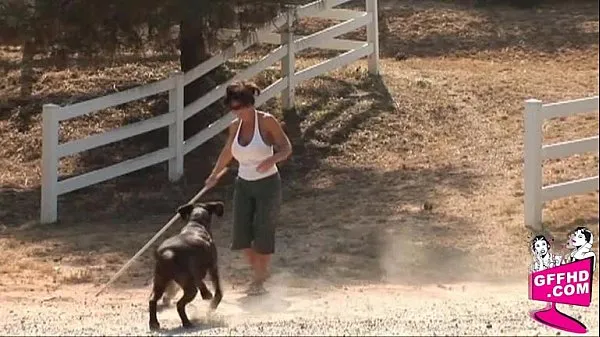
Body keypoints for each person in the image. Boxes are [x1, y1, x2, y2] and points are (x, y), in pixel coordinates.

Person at [204, 80, 293, 295]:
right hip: (243, 184)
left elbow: (286, 148)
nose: (236, 112)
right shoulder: (235, 126)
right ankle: (261, 274)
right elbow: (228, 152)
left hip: (268, 185)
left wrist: (272, 160)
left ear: (250, 104)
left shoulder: (267, 121)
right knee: (241, 236)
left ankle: (258, 281)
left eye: (239, 108)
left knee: (263, 232)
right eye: (232, 108)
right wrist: (214, 174)